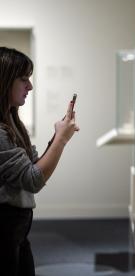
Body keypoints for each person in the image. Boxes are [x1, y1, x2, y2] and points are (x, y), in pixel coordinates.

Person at [0, 46, 79, 276]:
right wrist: (61, 140)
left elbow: (33, 166)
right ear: (4, 80)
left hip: (16, 232)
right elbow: (33, 179)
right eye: (23, 79)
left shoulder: (12, 123)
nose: (30, 86)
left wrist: (58, 136)